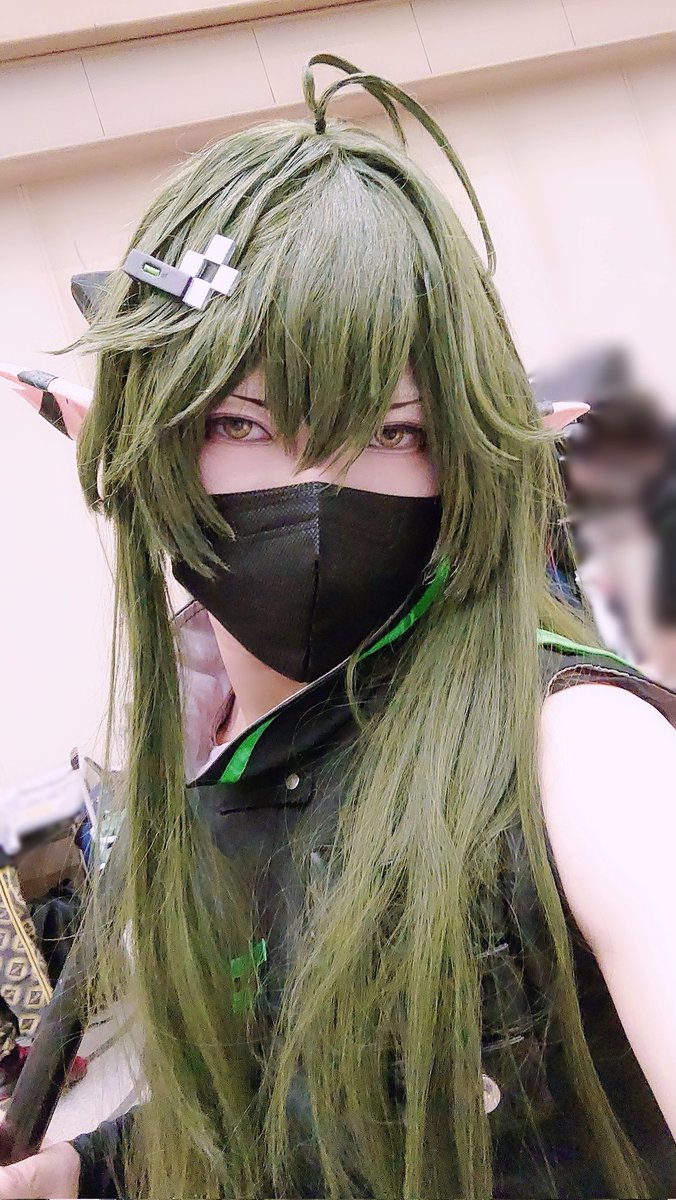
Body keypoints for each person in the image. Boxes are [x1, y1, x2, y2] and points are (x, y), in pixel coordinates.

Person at [1, 54, 676, 1200]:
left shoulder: (574, 752)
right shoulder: (203, 760)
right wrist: (84, 1169)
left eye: (392, 433)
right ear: (135, 444)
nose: (313, 492)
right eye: (239, 422)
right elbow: (289, 1098)